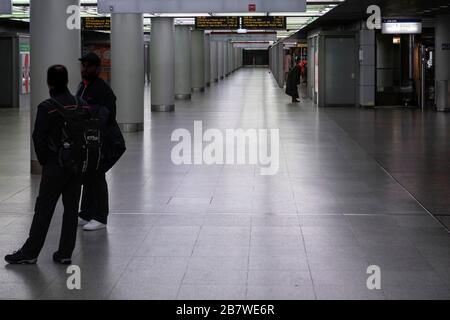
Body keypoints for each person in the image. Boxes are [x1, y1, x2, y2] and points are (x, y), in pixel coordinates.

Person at [5, 65, 90, 265]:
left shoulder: (47, 107)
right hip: (76, 165)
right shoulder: (82, 104)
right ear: (67, 81)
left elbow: (38, 138)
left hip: (55, 166)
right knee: (71, 209)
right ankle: (65, 253)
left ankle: (31, 252)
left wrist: (46, 161)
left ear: (49, 82)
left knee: (44, 209)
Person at [77, 52, 117, 231]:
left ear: (97, 68)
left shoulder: (102, 89)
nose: (84, 69)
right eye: (83, 66)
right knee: (88, 175)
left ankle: (100, 216)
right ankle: (86, 213)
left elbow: (108, 115)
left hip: (98, 140)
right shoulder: (83, 86)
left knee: (98, 176)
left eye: (88, 66)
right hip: (86, 140)